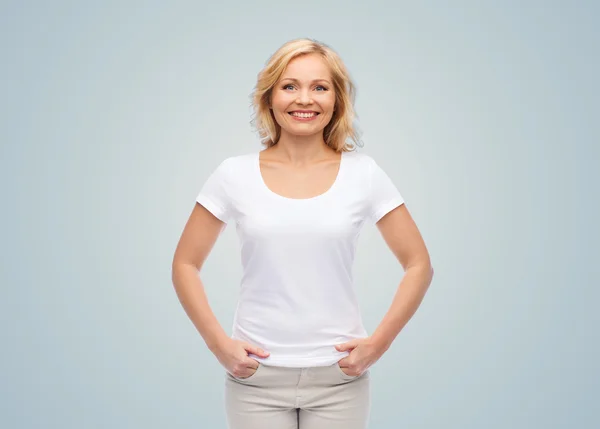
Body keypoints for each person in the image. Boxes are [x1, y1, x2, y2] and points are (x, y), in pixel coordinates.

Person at [171, 38, 434, 429]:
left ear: (336, 100)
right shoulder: (233, 174)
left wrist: (377, 345)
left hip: (339, 379)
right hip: (255, 378)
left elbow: (418, 264)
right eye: (289, 86)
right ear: (270, 97)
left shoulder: (364, 174)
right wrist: (218, 344)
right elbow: (185, 263)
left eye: (320, 87)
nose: (304, 99)